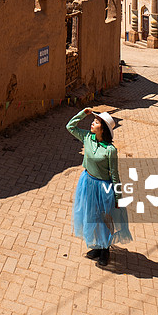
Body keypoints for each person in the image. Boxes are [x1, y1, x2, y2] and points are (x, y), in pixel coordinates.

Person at [66, 107, 132, 267]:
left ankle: (105, 250)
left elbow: (115, 175)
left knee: (104, 219)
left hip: (103, 188)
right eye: (93, 121)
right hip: (87, 182)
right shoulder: (87, 138)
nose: (92, 123)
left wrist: (118, 197)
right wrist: (83, 113)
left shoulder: (110, 150)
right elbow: (70, 127)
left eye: (96, 122)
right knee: (90, 216)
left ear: (103, 128)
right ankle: (96, 246)